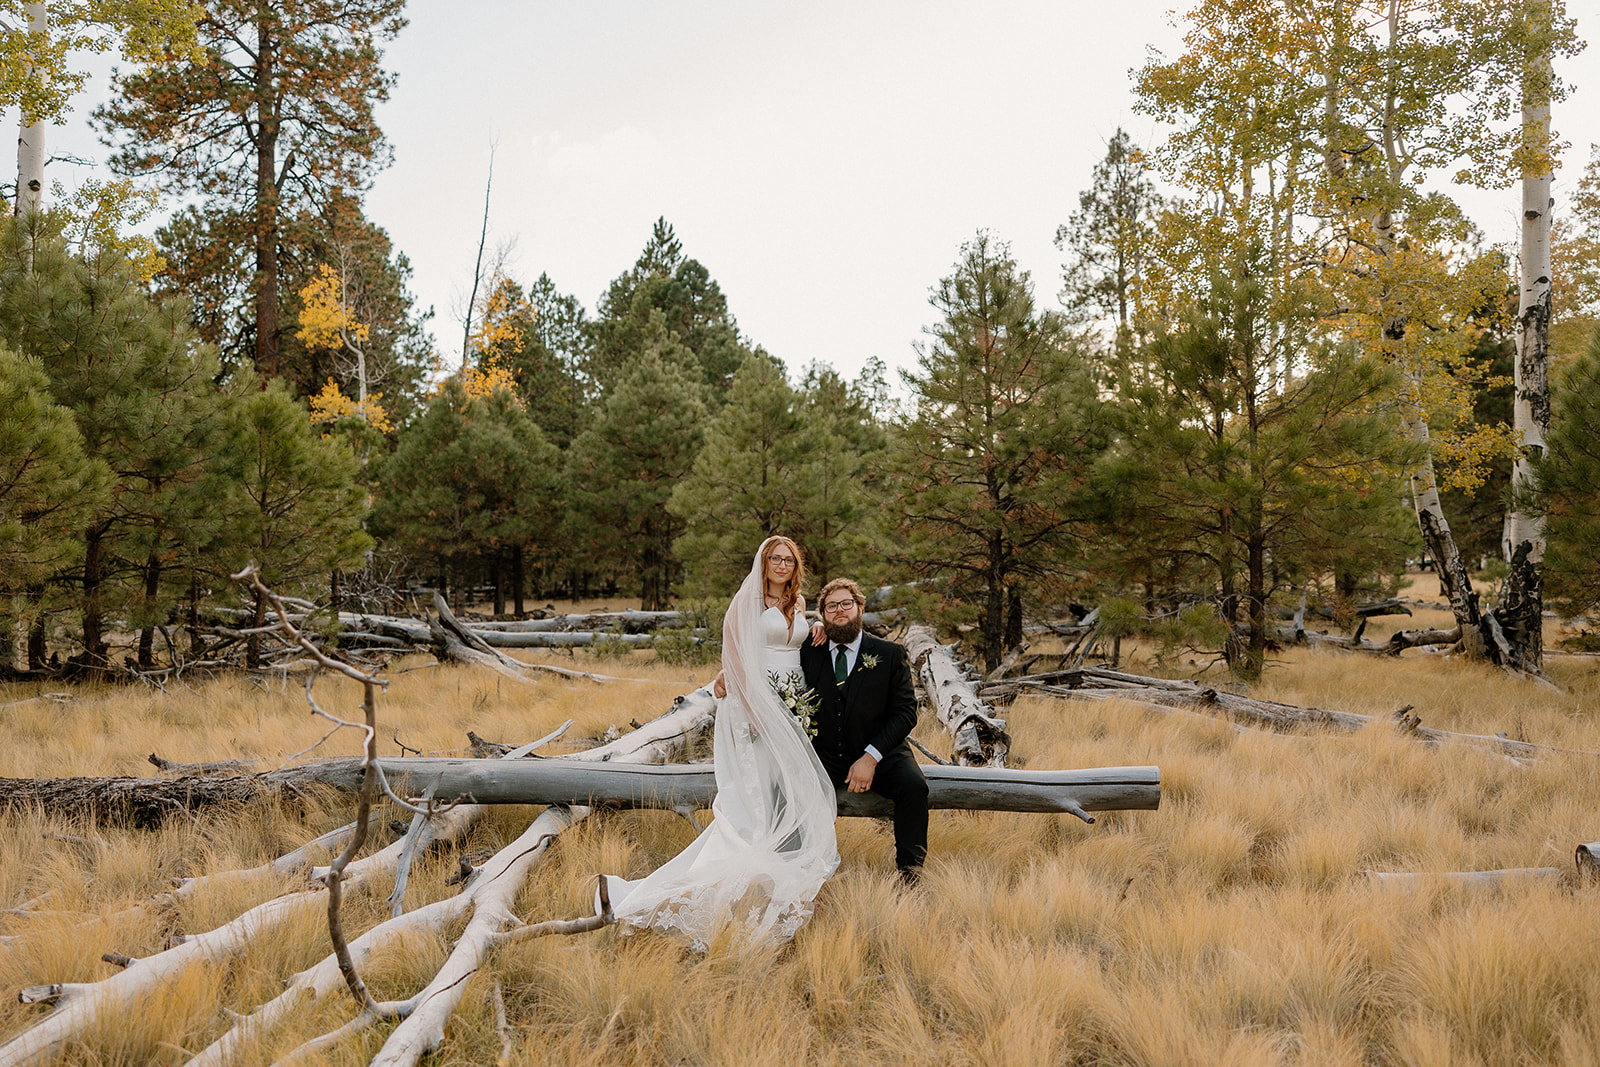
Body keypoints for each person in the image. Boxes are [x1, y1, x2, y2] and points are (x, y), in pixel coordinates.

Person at [602, 536, 839, 950]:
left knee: (789, 789)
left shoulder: (799, 604)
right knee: (753, 801)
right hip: (754, 705)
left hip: (793, 703)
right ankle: (681, 894)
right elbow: (733, 656)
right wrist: (752, 711)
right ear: (763, 563)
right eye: (774, 559)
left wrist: (817, 624)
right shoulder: (746, 601)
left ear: (795, 565)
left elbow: (799, 639)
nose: (782, 565)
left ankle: (777, 873)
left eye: (788, 559)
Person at [800, 577, 928, 883]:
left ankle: (911, 873)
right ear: (822, 615)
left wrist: (870, 758)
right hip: (826, 753)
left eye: (846, 604)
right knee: (794, 789)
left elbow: (906, 712)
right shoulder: (808, 650)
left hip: (880, 750)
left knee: (914, 787)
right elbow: (766, 659)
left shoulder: (889, 653)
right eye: (831, 606)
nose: (839, 610)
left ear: (860, 608)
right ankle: (806, 872)